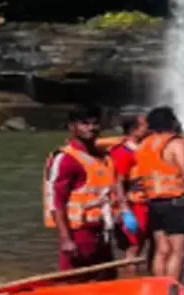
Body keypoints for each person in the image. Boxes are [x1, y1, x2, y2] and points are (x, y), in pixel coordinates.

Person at [44, 104, 130, 281]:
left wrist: (120, 228)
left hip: (102, 233)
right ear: (72, 127)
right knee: (74, 284)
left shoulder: (104, 158)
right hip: (79, 235)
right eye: (85, 123)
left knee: (106, 282)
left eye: (95, 123)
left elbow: (110, 197)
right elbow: (56, 201)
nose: (91, 128)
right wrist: (66, 239)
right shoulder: (67, 159)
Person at [135, 106, 184, 283]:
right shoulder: (177, 144)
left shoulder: (145, 145)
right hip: (176, 202)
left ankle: (158, 287)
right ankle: (172, 289)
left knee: (162, 249)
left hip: (154, 202)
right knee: (179, 250)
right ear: (172, 121)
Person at [107, 114, 151, 275]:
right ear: (134, 130)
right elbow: (117, 181)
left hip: (146, 203)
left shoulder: (144, 149)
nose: (149, 128)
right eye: (145, 126)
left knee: (149, 244)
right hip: (134, 205)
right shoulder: (124, 152)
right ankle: (130, 280)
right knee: (133, 247)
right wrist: (125, 210)